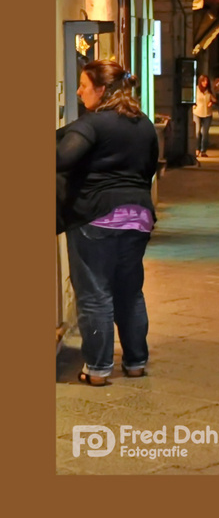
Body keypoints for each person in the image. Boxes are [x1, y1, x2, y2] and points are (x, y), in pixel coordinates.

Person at [56, 60, 160, 386]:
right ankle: (135, 363)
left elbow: (62, 159)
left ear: (101, 90)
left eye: (84, 86)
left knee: (95, 294)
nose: (78, 91)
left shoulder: (94, 124)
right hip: (138, 217)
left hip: (97, 217)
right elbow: (150, 166)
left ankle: (98, 368)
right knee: (130, 292)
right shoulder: (142, 123)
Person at [192, 75, 215, 157]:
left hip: (207, 113)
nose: (205, 83)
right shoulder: (196, 89)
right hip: (197, 112)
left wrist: (211, 102)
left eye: (206, 81)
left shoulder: (208, 91)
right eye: (203, 81)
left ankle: (203, 150)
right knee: (197, 132)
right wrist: (193, 105)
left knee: (204, 132)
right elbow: (192, 99)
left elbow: (214, 99)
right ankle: (197, 149)